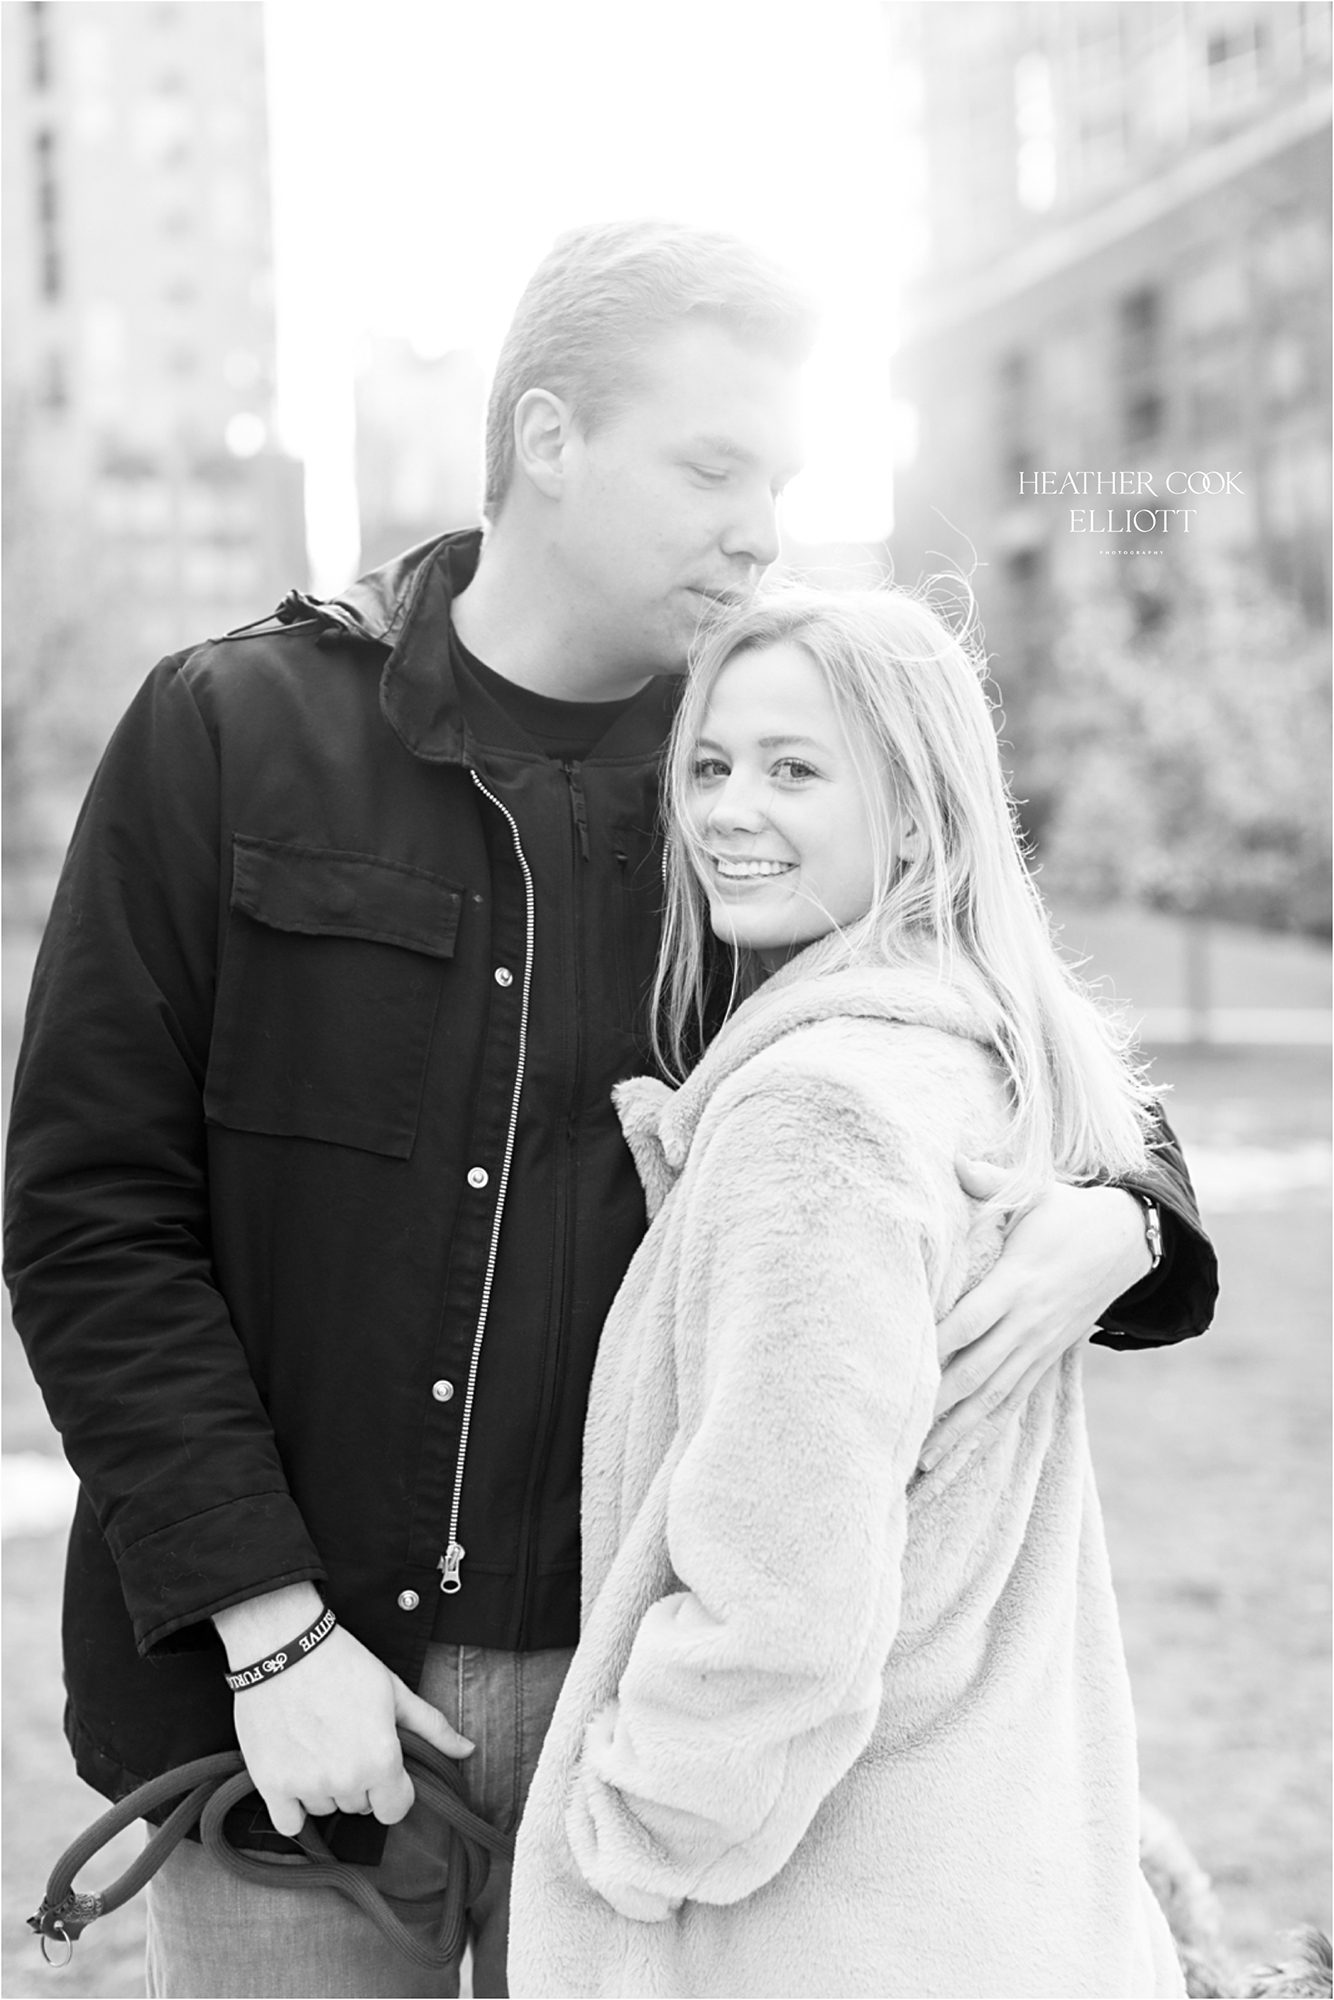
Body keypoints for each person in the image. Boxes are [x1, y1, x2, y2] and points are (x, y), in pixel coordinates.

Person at [4, 221, 1215, 2000]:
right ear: (549, 439)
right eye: (715, 466)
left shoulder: (757, 787)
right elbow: (88, 1214)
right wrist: (270, 1634)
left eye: (783, 479)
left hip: (659, 1722)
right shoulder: (228, 730)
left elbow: (1015, 1018)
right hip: (299, 1712)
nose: (761, 525)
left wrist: (1126, 1212)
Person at [508, 585, 1193, 2000]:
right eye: (709, 765)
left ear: (910, 816)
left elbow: (783, 1602)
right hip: (979, 1885)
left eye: (793, 767)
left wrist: (624, 1835)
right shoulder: (983, 1065)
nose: (726, 809)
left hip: (821, 1923)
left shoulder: (816, 1117)